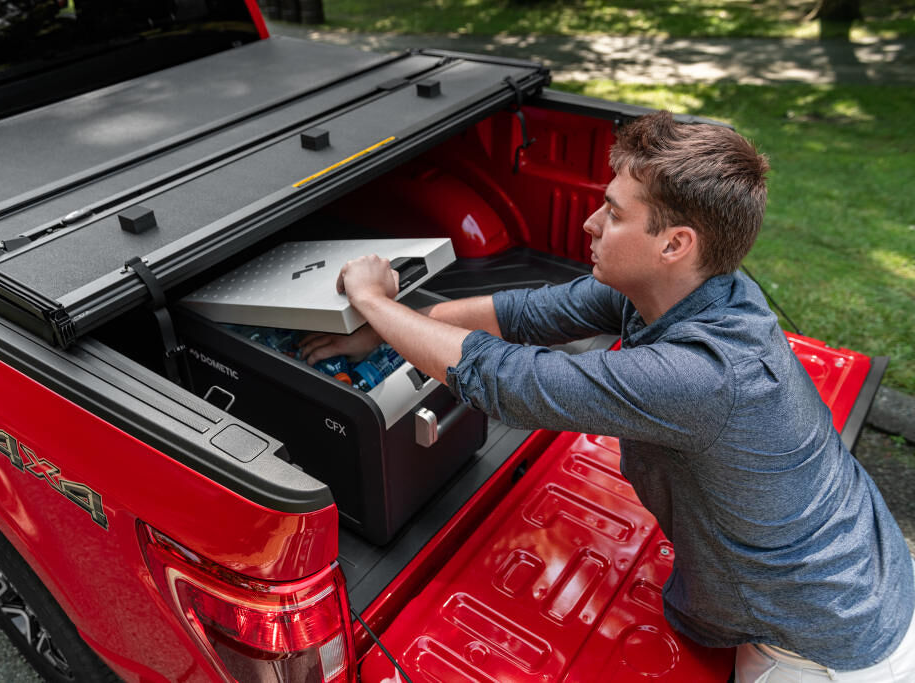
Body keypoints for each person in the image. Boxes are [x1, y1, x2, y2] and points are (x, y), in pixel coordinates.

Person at [298, 110, 915, 682]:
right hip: (844, 562)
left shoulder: (703, 376)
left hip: (823, 636)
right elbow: (529, 314)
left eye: (614, 214)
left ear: (675, 243)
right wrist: (385, 328)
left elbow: (510, 380)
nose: (591, 223)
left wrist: (376, 302)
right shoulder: (689, 287)